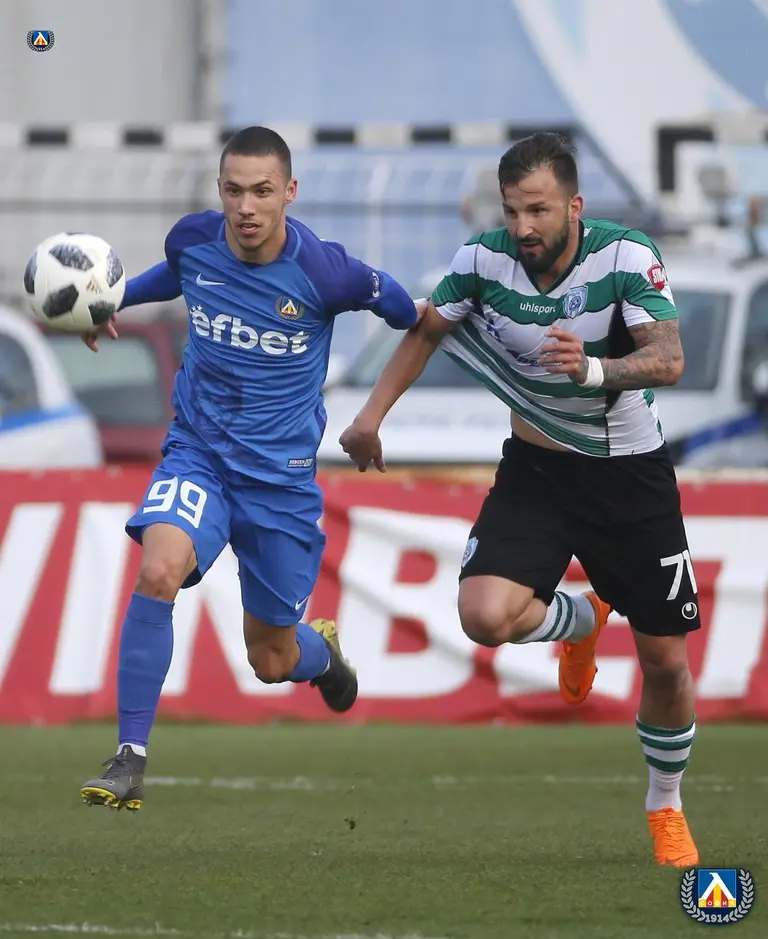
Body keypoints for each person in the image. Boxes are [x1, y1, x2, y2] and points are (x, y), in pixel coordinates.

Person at [339, 132, 700, 869]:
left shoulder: (625, 256)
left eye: (537, 209)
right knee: (483, 615)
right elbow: (427, 330)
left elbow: (668, 359)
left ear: (574, 205)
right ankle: (582, 619)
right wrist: (371, 417)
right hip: (536, 472)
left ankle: (665, 804)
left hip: (627, 475)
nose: (523, 226)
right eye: (512, 211)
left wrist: (593, 370)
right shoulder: (483, 260)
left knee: (665, 661)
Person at [78, 126, 418, 811]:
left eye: (262, 191)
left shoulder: (326, 272)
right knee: (158, 569)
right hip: (199, 453)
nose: (246, 207)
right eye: (233, 190)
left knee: (272, 659)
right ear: (220, 190)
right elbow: (177, 275)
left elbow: (407, 312)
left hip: (280, 483)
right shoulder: (194, 240)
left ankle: (321, 654)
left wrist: (372, 416)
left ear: (290, 192)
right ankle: (129, 758)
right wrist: (115, 299)